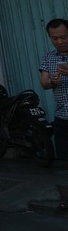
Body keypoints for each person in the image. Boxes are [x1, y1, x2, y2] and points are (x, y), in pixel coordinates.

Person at [39, 18, 68, 162]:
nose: (60, 42)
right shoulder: (48, 58)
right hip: (62, 117)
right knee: (65, 158)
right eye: (54, 38)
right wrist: (52, 81)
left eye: (63, 37)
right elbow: (44, 83)